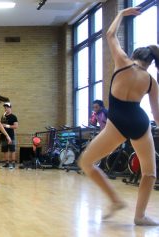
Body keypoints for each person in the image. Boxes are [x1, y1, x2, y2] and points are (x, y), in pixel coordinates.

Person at [78, 7, 159, 226]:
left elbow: (110, 34)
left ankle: (114, 200)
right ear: (150, 62)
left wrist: (122, 13)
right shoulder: (152, 81)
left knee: (86, 162)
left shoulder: (123, 61)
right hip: (140, 124)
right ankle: (140, 216)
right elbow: (157, 115)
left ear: (135, 55)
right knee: (149, 173)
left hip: (117, 123)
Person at [0, 102, 19, 169]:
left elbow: (16, 126)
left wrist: (7, 126)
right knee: (5, 150)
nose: (6, 109)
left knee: (12, 150)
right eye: (5, 107)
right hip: (3, 135)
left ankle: (13, 163)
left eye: (7, 107)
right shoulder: (3, 116)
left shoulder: (13, 117)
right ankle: (7, 163)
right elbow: (1, 125)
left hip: (11, 136)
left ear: (10, 108)